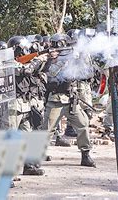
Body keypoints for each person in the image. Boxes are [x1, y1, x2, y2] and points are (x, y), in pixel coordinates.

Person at [42, 33, 96, 167]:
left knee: (83, 124)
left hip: (71, 99)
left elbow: (87, 74)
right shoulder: (48, 61)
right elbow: (51, 76)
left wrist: (81, 59)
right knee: (46, 130)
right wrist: (58, 61)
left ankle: (85, 155)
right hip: (55, 100)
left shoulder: (72, 59)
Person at [8, 35, 48, 175]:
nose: (26, 51)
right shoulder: (9, 62)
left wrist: (43, 59)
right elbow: (26, 70)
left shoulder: (27, 62)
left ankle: (29, 166)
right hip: (13, 105)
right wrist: (37, 60)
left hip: (25, 104)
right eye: (23, 49)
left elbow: (35, 71)